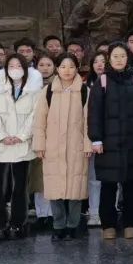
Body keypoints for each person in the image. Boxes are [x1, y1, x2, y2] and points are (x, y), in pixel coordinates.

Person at [88, 42, 133, 240]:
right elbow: (94, 113)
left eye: (122, 56)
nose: (119, 60)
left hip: (132, 141)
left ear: (128, 58)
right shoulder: (102, 81)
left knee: (130, 184)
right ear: (109, 58)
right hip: (108, 143)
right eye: (115, 56)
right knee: (108, 185)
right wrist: (96, 139)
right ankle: (108, 224)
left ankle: (130, 223)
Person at [0, 53, 43, 240]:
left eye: (19, 66)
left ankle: (18, 222)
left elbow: (36, 115)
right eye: (11, 66)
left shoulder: (34, 90)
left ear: (25, 68)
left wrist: (22, 136)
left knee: (20, 185)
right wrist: (1, 135)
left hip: (21, 144)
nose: (15, 69)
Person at [33, 53, 91, 240]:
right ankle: (58, 225)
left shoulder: (84, 91)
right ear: (57, 69)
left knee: (76, 188)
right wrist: (39, 144)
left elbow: (89, 121)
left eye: (71, 66)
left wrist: (88, 144)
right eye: (63, 66)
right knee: (54, 187)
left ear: (77, 68)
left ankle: (73, 224)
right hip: (53, 147)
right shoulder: (48, 91)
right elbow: (39, 121)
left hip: (76, 146)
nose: (67, 70)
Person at [30, 51, 57, 231]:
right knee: (39, 178)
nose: (45, 68)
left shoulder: (60, 84)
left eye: (49, 65)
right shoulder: (31, 85)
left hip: (56, 136)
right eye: (41, 65)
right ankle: (41, 214)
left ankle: (54, 213)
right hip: (37, 134)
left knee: (54, 176)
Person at [84, 50, 107, 226]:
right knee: (93, 178)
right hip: (91, 136)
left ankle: (109, 210)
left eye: (103, 61)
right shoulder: (85, 87)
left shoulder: (115, 83)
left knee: (111, 178)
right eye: (96, 61)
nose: (100, 64)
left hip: (111, 135)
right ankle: (94, 212)